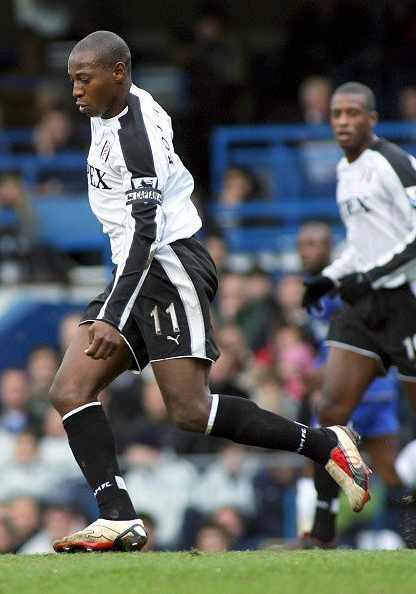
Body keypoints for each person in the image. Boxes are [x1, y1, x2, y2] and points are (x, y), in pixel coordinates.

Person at [48, 31, 371, 554]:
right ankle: (117, 517)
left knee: (190, 411)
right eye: (72, 81)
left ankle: (326, 445)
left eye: (84, 80)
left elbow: (147, 235)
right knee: (68, 389)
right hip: (138, 271)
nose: (76, 92)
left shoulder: (135, 137)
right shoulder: (109, 112)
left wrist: (110, 313)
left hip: (168, 263)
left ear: (119, 74)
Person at [300, 82, 416, 548]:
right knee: (328, 410)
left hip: (405, 303)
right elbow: (361, 241)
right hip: (364, 309)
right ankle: (323, 529)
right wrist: (329, 277)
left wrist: (370, 275)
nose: (343, 121)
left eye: (353, 113)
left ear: (372, 119)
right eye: (336, 114)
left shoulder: (395, 162)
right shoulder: (344, 171)